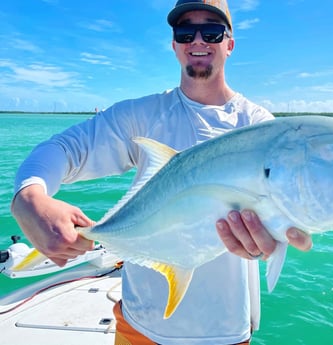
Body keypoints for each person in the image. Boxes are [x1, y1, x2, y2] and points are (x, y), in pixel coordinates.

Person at [11, 1, 312, 344]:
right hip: (138, 326)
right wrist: (29, 197)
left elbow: (281, 215)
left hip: (224, 332)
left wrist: (274, 238)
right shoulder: (141, 116)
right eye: (186, 32)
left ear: (230, 43)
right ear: (174, 45)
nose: (198, 40)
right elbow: (62, 149)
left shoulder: (258, 128)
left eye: (212, 32)